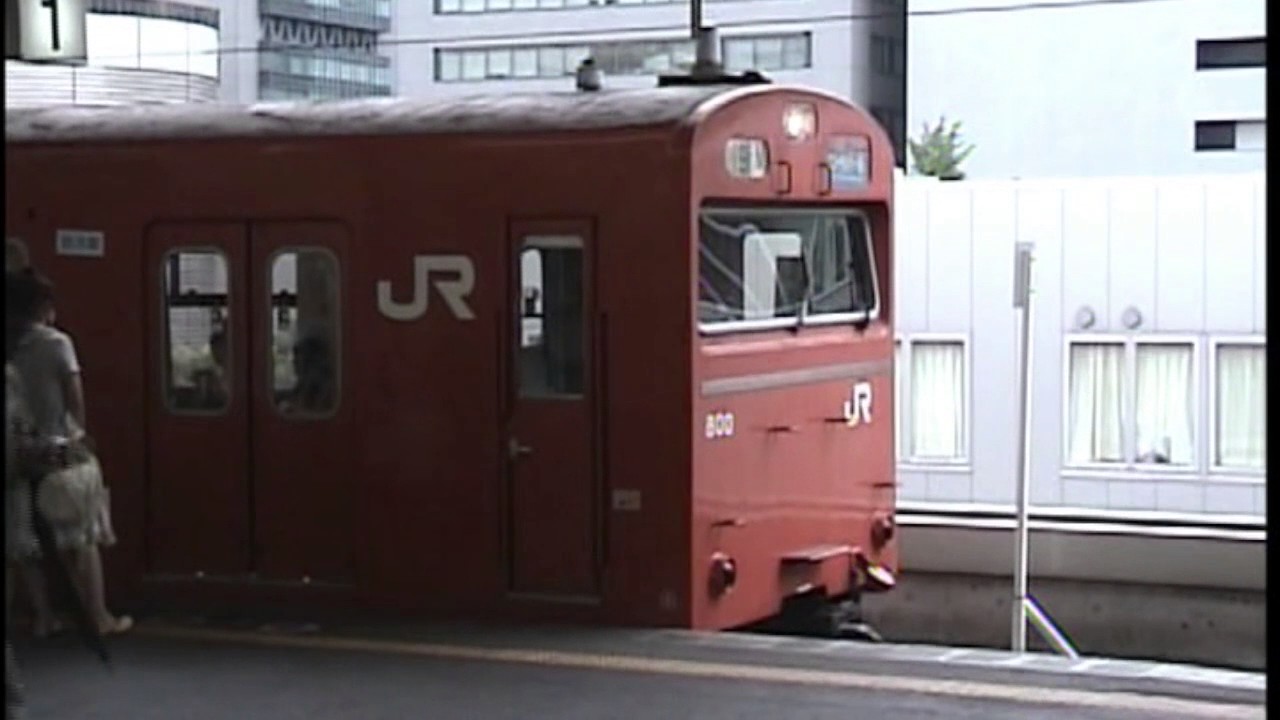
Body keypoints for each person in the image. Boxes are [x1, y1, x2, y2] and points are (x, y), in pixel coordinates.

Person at [7, 268, 131, 637]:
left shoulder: (8, 345)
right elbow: (74, 400)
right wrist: (80, 439)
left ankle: (44, 617)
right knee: (83, 536)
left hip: (16, 455)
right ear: (43, 305)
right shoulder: (57, 343)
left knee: (26, 541)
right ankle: (97, 617)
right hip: (59, 453)